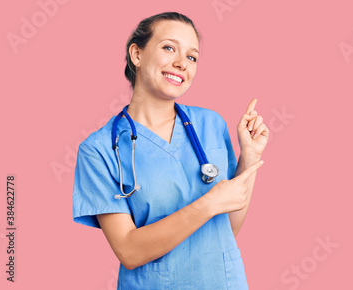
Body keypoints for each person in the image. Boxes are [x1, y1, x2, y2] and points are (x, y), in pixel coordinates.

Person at [72, 11, 269, 289]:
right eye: (169, 48)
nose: (181, 64)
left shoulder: (211, 124)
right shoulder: (100, 149)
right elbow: (129, 251)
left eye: (192, 57)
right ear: (136, 55)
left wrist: (250, 156)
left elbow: (225, 231)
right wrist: (208, 203)